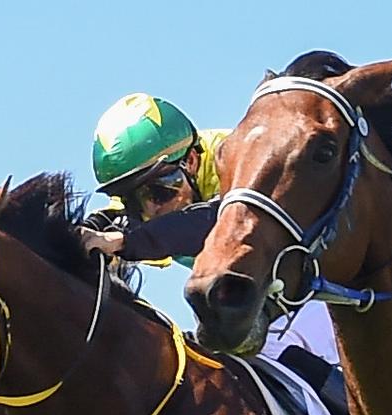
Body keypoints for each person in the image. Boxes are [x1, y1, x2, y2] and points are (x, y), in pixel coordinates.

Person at [81, 88, 339, 368]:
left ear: (191, 161)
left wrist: (125, 241)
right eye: (133, 199)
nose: (150, 211)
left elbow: (210, 222)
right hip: (260, 291)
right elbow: (114, 219)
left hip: (322, 287)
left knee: (271, 351)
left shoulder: (238, 162)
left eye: (160, 192)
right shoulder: (151, 197)